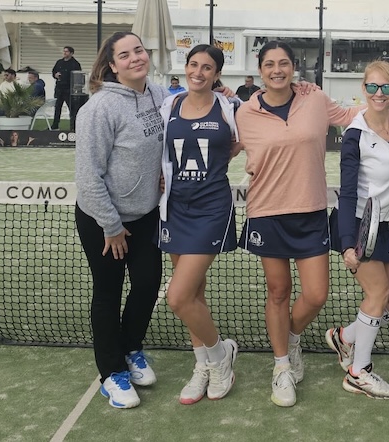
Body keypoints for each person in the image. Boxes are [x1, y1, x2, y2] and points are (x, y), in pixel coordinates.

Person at [234, 40, 389, 408]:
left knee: (316, 295)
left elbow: (354, 117)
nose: (277, 70)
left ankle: (293, 335)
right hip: (266, 212)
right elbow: (224, 146)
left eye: (284, 63)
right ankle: (282, 365)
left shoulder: (314, 99)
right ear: (260, 69)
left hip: (312, 210)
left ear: (294, 68)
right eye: (270, 64)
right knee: (278, 292)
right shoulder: (244, 113)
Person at [74, 31, 171, 409]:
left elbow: (198, 98)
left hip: (146, 215)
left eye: (139, 51)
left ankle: (131, 348)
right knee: (108, 293)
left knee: (148, 284)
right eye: (125, 55)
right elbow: (88, 175)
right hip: (103, 220)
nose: (136, 58)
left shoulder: (158, 95)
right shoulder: (98, 109)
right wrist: (111, 227)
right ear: (112, 65)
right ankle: (111, 372)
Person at [325, 60, 389, 399]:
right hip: (356, 226)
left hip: (384, 225)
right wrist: (349, 245)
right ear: (362, 89)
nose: (378, 94)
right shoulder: (354, 135)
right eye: (372, 87)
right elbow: (347, 192)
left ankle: (347, 337)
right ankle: (358, 372)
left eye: (386, 88)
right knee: (377, 295)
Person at [158, 44, 240, 405]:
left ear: (217, 74)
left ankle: (221, 357)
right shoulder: (169, 105)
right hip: (175, 208)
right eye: (194, 65)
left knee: (177, 296)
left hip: (211, 210)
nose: (199, 72)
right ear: (186, 67)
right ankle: (202, 365)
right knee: (193, 296)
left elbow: (258, 125)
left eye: (208, 68)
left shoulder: (230, 106)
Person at [52, 46, 82, 130]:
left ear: (71, 53)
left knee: (72, 109)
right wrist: (55, 75)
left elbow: (78, 76)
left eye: (67, 51)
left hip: (69, 90)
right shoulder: (59, 62)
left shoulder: (75, 64)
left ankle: (73, 127)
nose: (64, 53)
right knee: (57, 108)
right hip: (59, 89)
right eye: (64, 51)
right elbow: (54, 71)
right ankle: (55, 125)